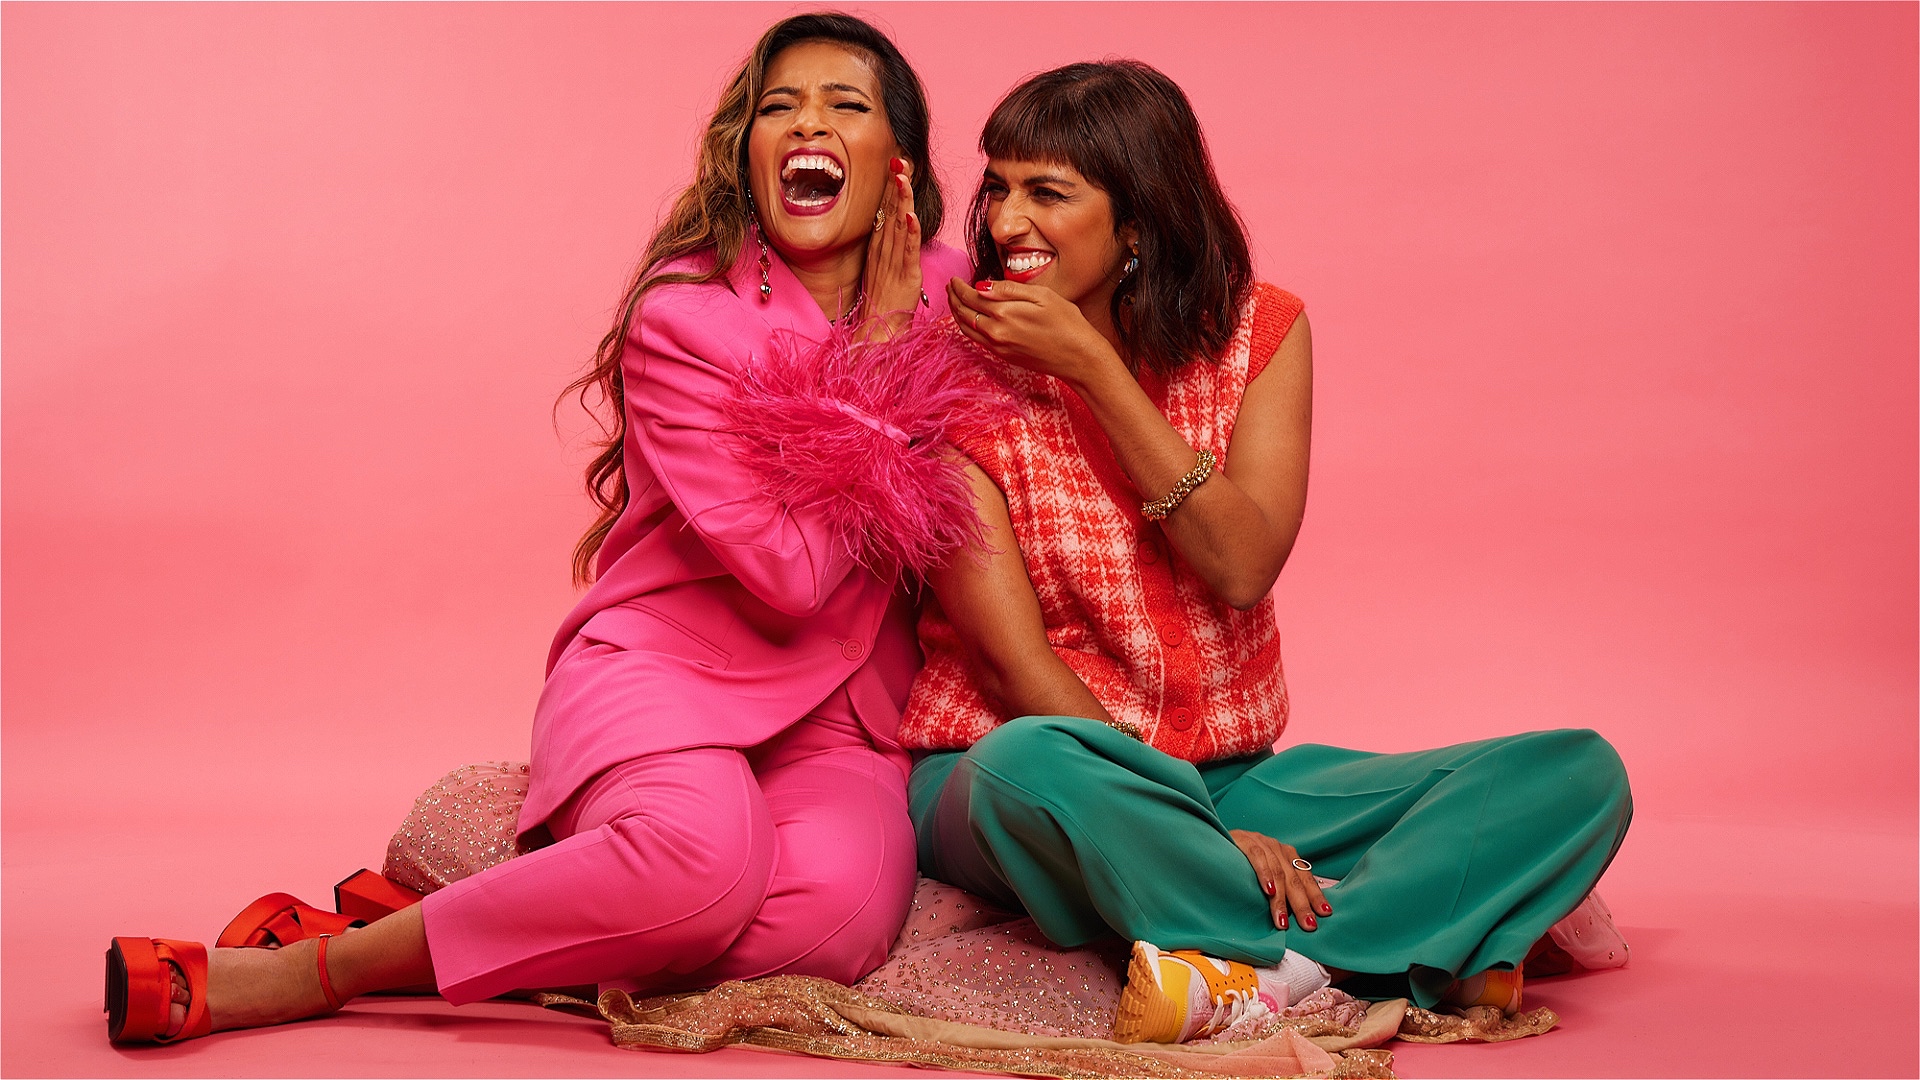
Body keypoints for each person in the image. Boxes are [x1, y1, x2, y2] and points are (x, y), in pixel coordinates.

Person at [104, 12, 974, 1043]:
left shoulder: (954, 294)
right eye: (777, 106)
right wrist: (875, 361)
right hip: (670, 675)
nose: (805, 124)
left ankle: (522, 920)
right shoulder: (685, 321)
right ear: (746, 151)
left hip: (843, 717)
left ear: (901, 165)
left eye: (845, 105)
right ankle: (330, 966)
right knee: (707, 866)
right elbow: (789, 575)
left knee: (828, 927)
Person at [903, 60, 1634, 1045]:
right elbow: (1014, 665)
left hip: (1237, 774)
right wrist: (1203, 830)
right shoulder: (949, 371)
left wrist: (1092, 368)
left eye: (1047, 192)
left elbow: (1242, 564)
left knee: (1578, 774)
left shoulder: (1259, 334)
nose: (1003, 223)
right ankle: (1413, 938)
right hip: (1033, 771)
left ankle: (1277, 966)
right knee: (1028, 763)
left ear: (1138, 219)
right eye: (998, 187)